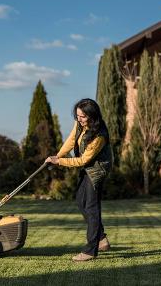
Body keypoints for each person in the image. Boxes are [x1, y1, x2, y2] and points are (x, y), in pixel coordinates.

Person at [46, 98, 113, 262]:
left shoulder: (99, 136)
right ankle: (101, 237)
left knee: (91, 207)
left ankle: (90, 251)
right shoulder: (80, 124)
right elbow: (71, 140)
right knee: (80, 200)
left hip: (97, 170)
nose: (79, 119)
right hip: (87, 167)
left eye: (82, 117)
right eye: (77, 116)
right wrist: (58, 155)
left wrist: (60, 162)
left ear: (92, 115)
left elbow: (82, 160)